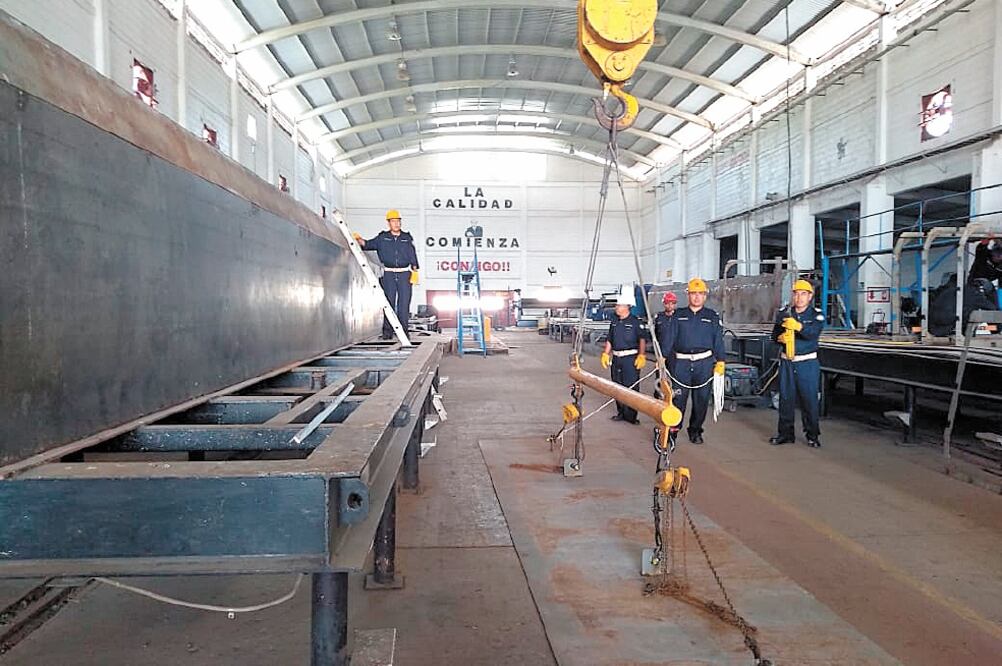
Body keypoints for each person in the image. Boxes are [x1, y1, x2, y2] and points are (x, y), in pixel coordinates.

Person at [661, 278, 726, 445]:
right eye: (693, 294)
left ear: (705, 296)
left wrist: (721, 360)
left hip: (703, 364)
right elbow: (670, 337)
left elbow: (718, 339)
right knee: (678, 399)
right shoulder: (678, 315)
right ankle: (673, 430)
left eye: (700, 294)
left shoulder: (711, 317)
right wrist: (662, 357)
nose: (697, 297)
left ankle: (696, 430)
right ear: (688, 295)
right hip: (681, 363)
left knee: (701, 399)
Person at [769, 279, 826, 448]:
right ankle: (785, 434)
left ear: (810, 296)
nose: (799, 297)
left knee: (809, 400)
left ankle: (812, 435)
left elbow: (813, 333)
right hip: (787, 362)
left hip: (807, 363)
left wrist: (798, 327)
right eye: (796, 293)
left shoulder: (817, 315)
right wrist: (780, 338)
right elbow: (774, 336)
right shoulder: (784, 314)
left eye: (803, 294)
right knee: (786, 399)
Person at [355, 210, 420, 340]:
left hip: (404, 274)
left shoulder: (406, 238)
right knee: (388, 303)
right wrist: (358, 239)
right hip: (389, 274)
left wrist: (415, 269)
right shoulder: (382, 238)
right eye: (394, 221)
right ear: (389, 223)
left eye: (398, 221)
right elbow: (368, 245)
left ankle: (404, 333)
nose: (397, 224)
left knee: (404, 304)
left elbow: (412, 254)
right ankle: (387, 332)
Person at [600, 286, 647, 425]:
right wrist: (605, 353)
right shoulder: (614, 321)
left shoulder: (635, 322)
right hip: (617, 358)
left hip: (630, 358)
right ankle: (621, 412)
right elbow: (610, 338)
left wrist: (642, 355)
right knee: (617, 385)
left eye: (619, 305)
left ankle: (631, 416)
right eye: (616, 305)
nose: (616, 307)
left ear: (628, 306)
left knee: (631, 386)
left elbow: (642, 340)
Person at [653, 292, 678, 400]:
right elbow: (654, 335)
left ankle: (673, 397)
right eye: (667, 303)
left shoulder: (678, 318)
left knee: (674, 375)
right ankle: (659, 396)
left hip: (675, 353)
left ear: (675, 304)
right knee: (660, 376)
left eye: (672, 303)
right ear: (664, 304)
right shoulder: (659, 318)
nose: (670, 305)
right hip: (660, 352)